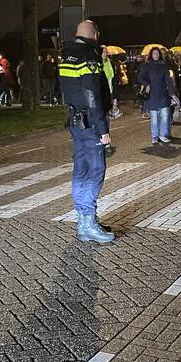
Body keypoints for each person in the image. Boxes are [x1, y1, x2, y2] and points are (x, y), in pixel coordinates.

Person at [59, 21, 114, 244]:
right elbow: (92, 93)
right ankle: (88, 223)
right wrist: (102, 128)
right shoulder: (88, 56)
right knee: (96, 170)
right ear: (94, 34)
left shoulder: (67, 54)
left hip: (75, 121)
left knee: (81, 170)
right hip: (90, 123)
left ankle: (84, 220)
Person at [137, 46, 177, 145]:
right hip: (152, 96)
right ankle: (154, 136)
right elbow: (140, 77)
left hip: (163, 94)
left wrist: (171, 93)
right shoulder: (146, 66)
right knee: (154, 118)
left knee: (165, 116)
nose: (156, 55)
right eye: (154, 53)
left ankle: (163, 134)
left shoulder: (164, 66)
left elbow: (168, 81)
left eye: (157, 53)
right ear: (151, 55)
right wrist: (147, 84)